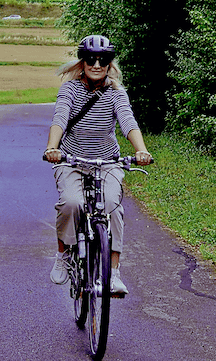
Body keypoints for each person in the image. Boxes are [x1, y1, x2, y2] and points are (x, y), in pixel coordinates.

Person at [43, 34, 152, 296]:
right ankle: (64, 254)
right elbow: (60, 118)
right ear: (82, 62)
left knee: (113, 206)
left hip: (107, 162)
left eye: (102, 60)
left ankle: (113, 274)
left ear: (109, 64)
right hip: (71, 160)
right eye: (90, 59)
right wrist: (52, 148)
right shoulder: (69, 90)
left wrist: (141, 150)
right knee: (72, 202)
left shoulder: (116, 92)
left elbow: (128, 121)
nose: (96, 64)